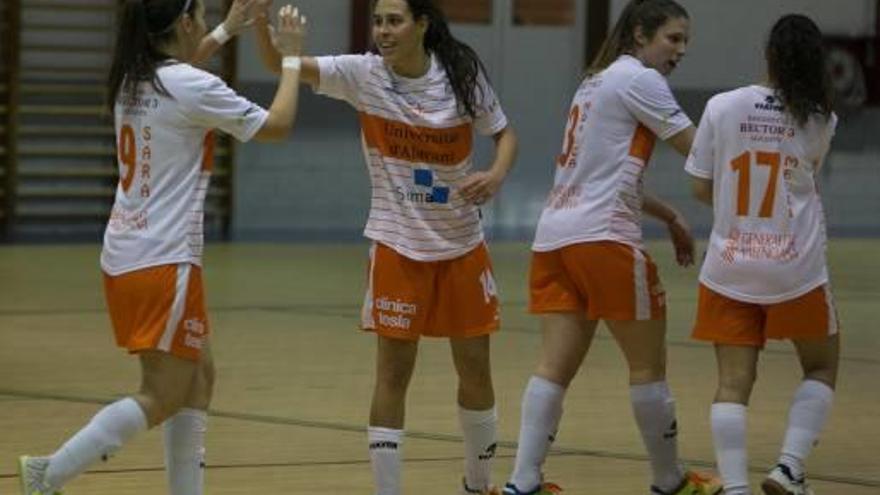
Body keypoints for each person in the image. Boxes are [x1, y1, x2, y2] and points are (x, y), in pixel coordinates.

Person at [16, 1, 307, 494]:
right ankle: (50, 472)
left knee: (199, 378)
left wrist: (225, 30)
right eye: (200, 12)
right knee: (164, 393)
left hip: (132, 254)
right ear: (185, 24)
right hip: (162, 260)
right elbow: (278, 125)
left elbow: (185, 75)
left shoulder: (135, 78)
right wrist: (293, 58)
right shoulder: (188, 86)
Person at [254, 0, 517, 493]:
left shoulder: (460, 73)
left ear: (422, 24)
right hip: (398, 246)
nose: (383, 31)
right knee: (393, 374)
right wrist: (264, 29)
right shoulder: (363, 75)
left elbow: (504, 135)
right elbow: (278, 65)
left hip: (462, 243)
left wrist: (497, 174)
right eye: (377, 21)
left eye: (394, 20)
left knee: (476, 369)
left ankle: (479, 485)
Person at [502, 1, 723, 494]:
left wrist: (668, 215)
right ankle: (670, 481)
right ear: (641, 34)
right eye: (673, 38)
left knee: (553, 368)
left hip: (556, 239)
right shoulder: (641, 81)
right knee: (647, 366)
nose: (681, 50)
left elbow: (604, 174)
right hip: (605, 240)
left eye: (686, 41)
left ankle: (523, 483)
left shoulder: (595, 82)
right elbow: (700, 152)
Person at [686, 14, 838, 495]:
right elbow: (806, 181)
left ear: (768, 55)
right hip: (796, 265)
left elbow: (700, 187)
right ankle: (789, 468)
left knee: (733, 382)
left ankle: (735, 488)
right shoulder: (821, 118)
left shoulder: (722, 106)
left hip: (731, 263)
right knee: (820, 366)